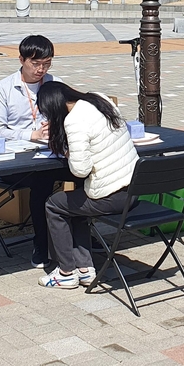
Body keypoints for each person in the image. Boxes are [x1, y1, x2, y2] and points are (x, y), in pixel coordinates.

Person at [36, 81, 139, 289]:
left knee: (54, 205)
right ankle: (85, 269)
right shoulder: (100, 99)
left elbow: (80, 170)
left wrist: (67, 151)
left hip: (111, 196)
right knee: (75, 203)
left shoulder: (74, 121)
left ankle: (66, 271)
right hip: (134, 189)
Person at [0, 35, 60, 268]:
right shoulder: (3, 89)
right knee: (42, 181)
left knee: (83, 171)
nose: (41, 69)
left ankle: (82, 234)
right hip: (15, 160)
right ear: (21, 59)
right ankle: (41, 243)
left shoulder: (54, 83)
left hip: (51, 153)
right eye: (35, 64)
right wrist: (31, 135)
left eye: (46, 64)